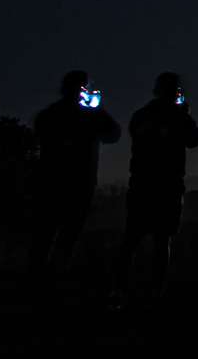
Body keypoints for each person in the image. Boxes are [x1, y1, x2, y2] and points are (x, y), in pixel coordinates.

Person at [114, 73, 198, 305]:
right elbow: (195, 139)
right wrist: (185, 115)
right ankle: (157, 291)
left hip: (141, 185)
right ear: (175, 92)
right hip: (168, 186)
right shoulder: (177, 117)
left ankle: (116, 290)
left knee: (131, 239)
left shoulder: (140, 116)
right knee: (162, 241)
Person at [27, 70, 121, 289]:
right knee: (63, 235)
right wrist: (97, 112)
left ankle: (38, 282)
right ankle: (50, 281)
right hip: (75, 183)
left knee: (48, 234)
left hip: (56, 182)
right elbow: (113, 134)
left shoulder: (51, 114)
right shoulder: (85, 116)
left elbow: (113, 134)